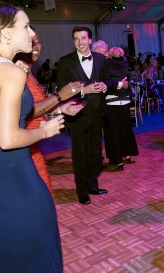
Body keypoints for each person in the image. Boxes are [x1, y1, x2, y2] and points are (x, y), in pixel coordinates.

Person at [0, 3, 64, 272]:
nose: (31, 32)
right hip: (10, 173)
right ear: (6, 33)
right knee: (37, 240)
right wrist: (44, 131)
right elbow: (6, 139)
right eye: (26, 26)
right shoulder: (11, 73)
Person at [56, 27, 124, 205]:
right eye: (76, 39)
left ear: (90, 40)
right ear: (73, 42)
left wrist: (105, 84)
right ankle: (82, 190)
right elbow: (61, 91)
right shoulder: (65, 62)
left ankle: (93, 184)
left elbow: (109, 79)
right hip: (77, 115)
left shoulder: (101, 58)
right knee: (80, 155)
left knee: (95, 153)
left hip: (98, 113)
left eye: (83, 38)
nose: (80, 42)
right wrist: (83, 91)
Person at [15, 33, 84, 195]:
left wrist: (61, 108)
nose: (35, 46)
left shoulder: (30, 72)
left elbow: (39, 108)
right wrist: (59, 96)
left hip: (34, 144)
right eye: (30, 42)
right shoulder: (17, 73)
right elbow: (24, 110)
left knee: (43, 196)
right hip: (22, 145)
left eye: (38, 42)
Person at [102, 47, 138, 171]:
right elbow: (127, 82)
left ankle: (118, 161)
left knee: (114, 132)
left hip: (112, 101)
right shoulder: (125, 65)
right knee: (125, 129)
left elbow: (106, 82)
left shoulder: (106, 64)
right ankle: (127, 154)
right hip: (124, 99)